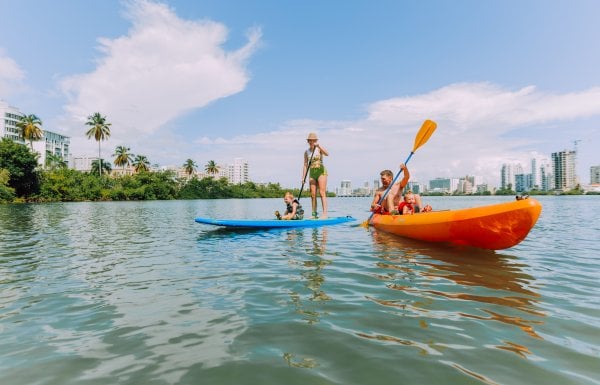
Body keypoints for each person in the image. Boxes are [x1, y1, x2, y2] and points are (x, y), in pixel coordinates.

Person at [303, 132, 329, 219]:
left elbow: (327, 154)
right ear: (308, 141)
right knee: (313, 194)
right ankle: (314, 214)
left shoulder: (318, 149)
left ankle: (325, 213)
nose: (311, 142)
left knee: (322, 192)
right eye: (310, 141)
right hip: (312, 172)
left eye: (313, 141)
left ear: (316, 141)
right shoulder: (306, 152)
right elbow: (305, 165)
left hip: (321, 171)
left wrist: (319, 146)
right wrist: (303, 178)